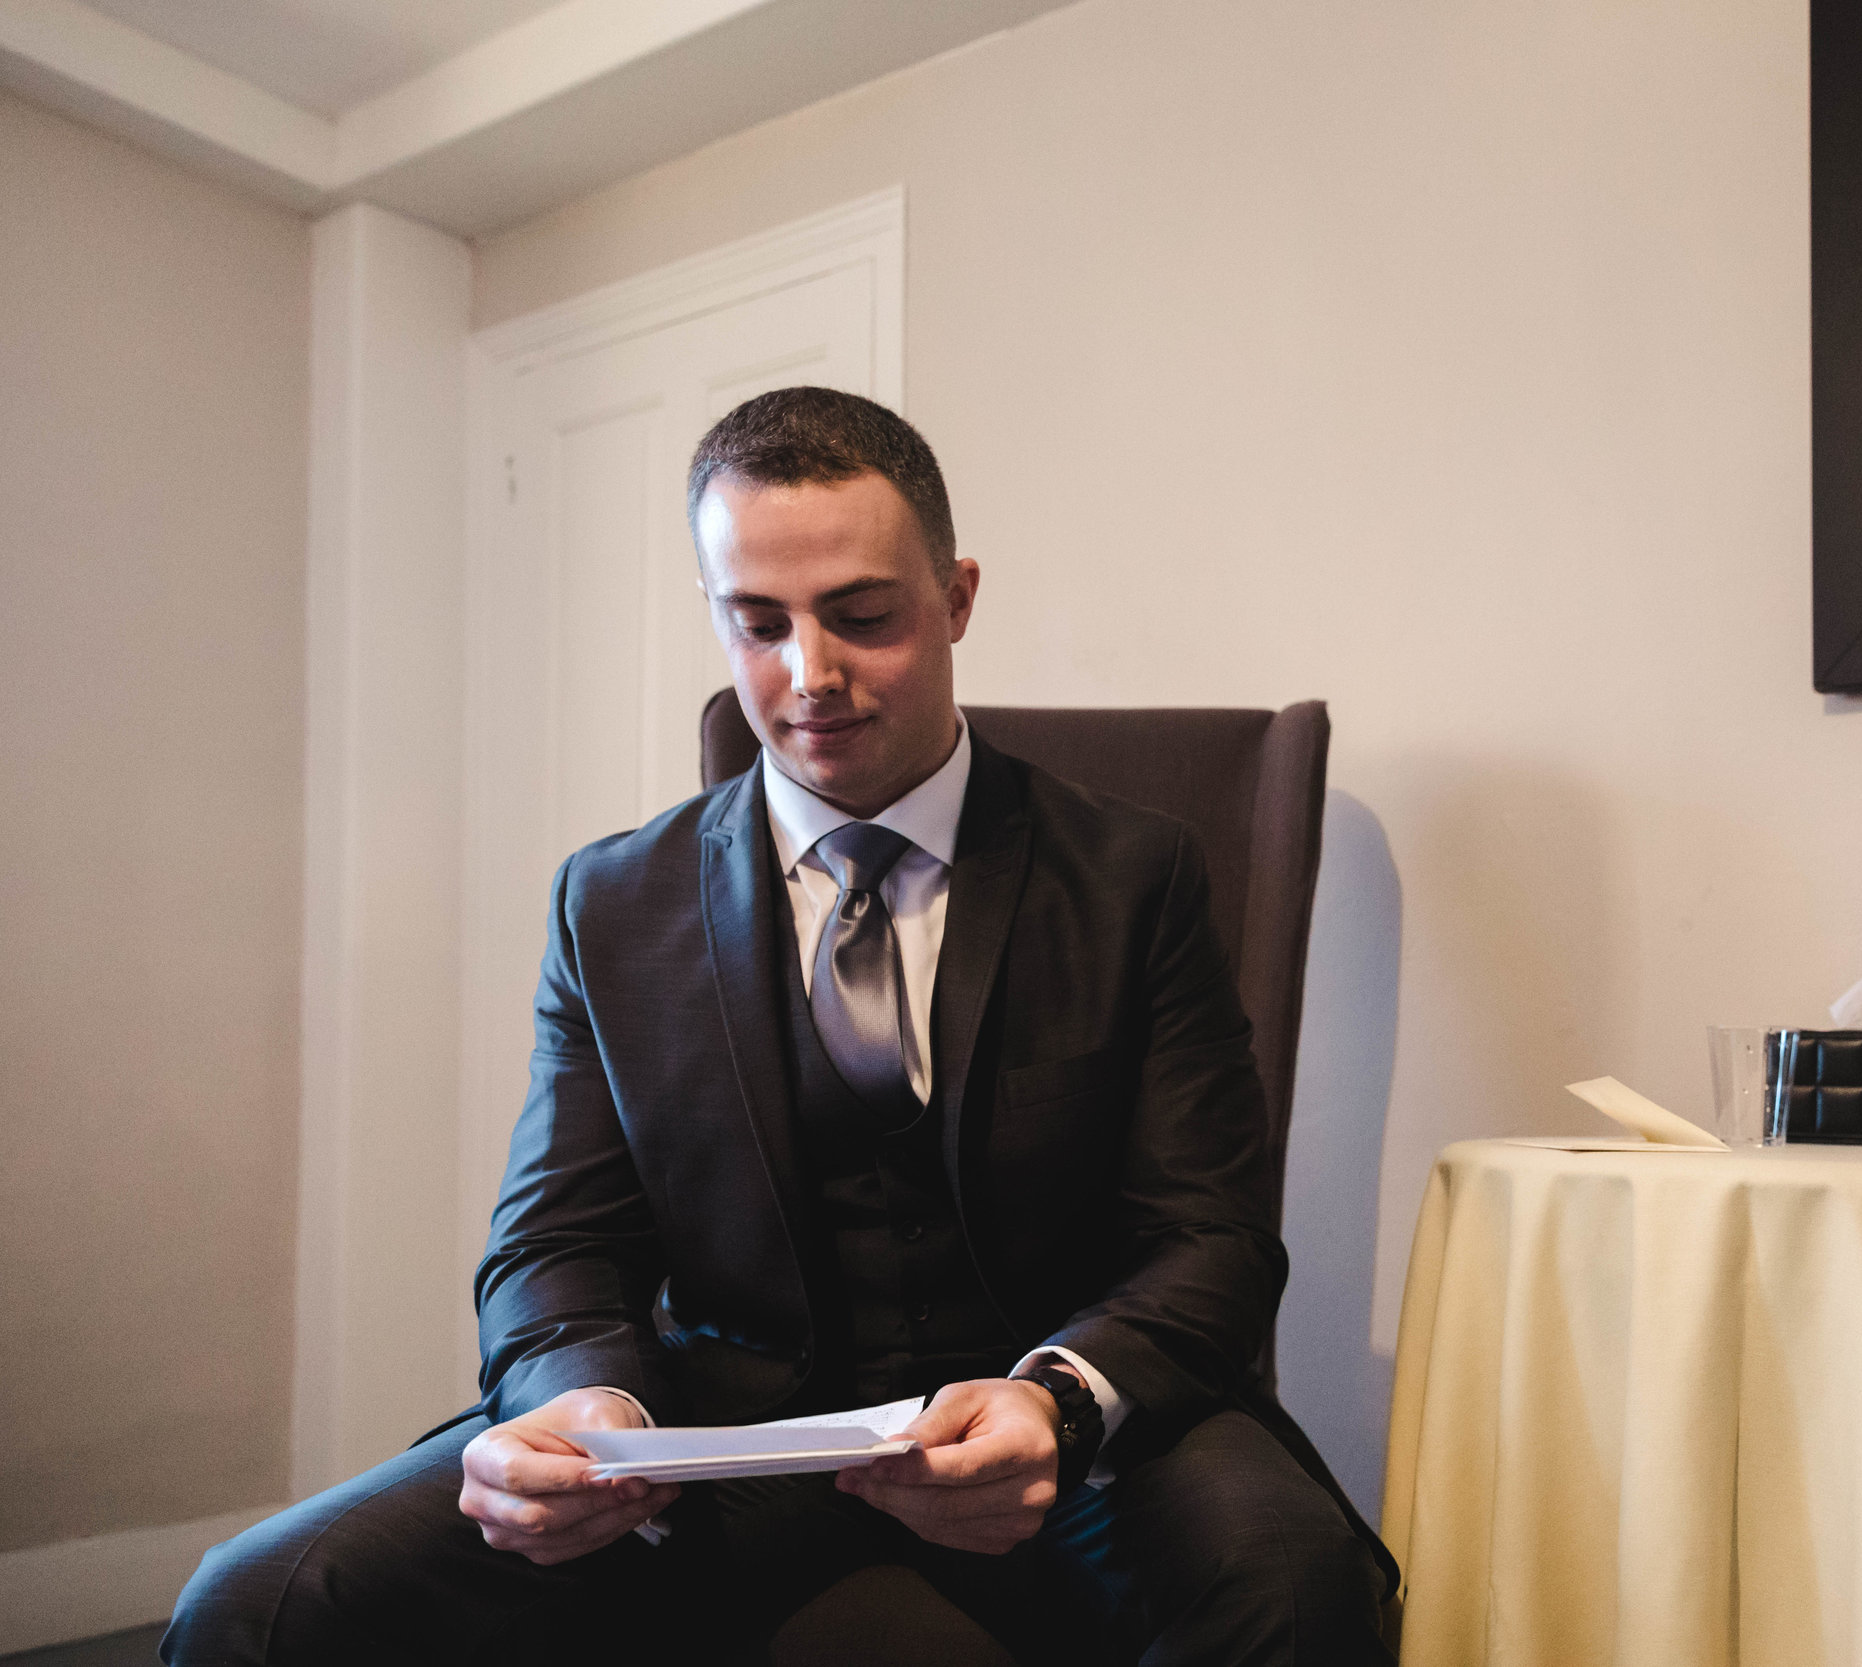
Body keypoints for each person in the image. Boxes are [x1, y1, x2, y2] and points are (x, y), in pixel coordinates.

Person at [164, 387, 1393, 1665]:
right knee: (261, 1600)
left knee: (1293, 1586)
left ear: (958, 595)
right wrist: (585, 1404)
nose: (810, 675)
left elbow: (1212, 1233)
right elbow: (555, 1241)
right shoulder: (610, 900)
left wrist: (1061, 1401)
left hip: (1060, 1427)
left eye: (863, 616)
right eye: (758, 623)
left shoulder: (1140, 874)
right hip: (717, 1435)